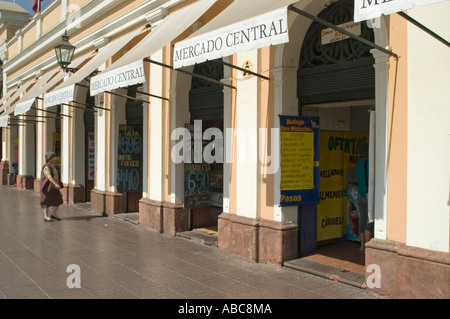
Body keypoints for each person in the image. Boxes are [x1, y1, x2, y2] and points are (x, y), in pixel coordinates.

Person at [355, 143, 373, 251]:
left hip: (360, 194)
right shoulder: (369, 164)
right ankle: (368, 246)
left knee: (362, 219)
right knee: (370, 220)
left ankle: (361, 245)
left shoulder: (358, 165)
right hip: (367, 194)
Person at [40, 152, 63, 222]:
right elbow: (48, 176)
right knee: (46, 201)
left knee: (58, 199)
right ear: (49, 159)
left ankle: (54, 214)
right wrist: (55, 184)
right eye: (53, 158)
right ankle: (46, 216)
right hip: (48, 187)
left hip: (53, 187)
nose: (55, 159)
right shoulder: (46, 166)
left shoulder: (52, 166)